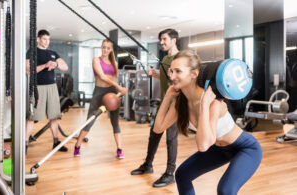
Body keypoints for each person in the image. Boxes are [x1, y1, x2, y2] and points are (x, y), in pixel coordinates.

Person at [153, 50, 262, 195]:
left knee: (225, 189)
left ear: (194, 74)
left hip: (245, 149)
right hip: (219, 150)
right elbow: (158, 128)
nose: (172, 76)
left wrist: (204, 106)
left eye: (178, 71)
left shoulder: (213, 102)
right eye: (171, 71)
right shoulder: (180, 103)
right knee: (182, 175)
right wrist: (167, 97)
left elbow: (203, 145)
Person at [130, 29, 179, 187]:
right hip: (164, 101)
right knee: (154, 133)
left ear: (174, 40)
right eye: (161, 40)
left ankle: (170, 173)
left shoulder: (180, 58)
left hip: (176, 104)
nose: (162, 42)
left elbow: (180, 78)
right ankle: (148, 165)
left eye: (164, 39)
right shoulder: (165, 58)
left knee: (171, 138)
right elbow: (168, 76)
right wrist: (156, 74)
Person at [74, 39, 127, 159]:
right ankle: (77, 146)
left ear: (111, 50)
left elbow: (114, 79)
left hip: (112, 92)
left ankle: (119, 149)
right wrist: (119, 87)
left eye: (108, 48)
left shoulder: (115, 63)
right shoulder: (96, 60)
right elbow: (102, 76)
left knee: (115, 122)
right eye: (104, 47)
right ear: (101, 48)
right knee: (90, 121)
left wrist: (119, 90)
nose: (105, 50)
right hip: (99, 92)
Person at [25, 29, 69, 154]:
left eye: (48, 39)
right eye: (44, 39)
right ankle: (25, 144)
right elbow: (28, 70)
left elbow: (65, 67)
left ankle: (56, 142)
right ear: (38, 39)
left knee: (54, 117)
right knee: (32, 118)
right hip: (38, 87)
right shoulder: (32, 52)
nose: (47, 42)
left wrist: (56, 64)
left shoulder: (53, 53)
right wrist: (45, 65)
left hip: (52, 87)